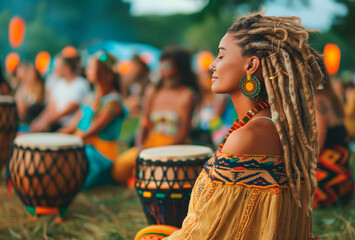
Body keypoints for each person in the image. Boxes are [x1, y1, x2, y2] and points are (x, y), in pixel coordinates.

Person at [136, 12, 323, 240]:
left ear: (251, 65)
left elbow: (210, 232)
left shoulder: (250, 136)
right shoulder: (272, 123)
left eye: (221, 56)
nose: (212, 66)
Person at [112, 46, 198, 185]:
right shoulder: (152, 91)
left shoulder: (188, 95)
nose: (163, 68)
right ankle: (139, 176)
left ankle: (139, 178)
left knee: (160, 176)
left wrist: (157, 152)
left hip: (174, 148)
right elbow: (143, 123)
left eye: (168, 64)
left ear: (180, 67)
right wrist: (140, 147)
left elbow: (182, 134)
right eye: (161, 64)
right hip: (150, 144)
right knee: (119, 169)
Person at [58, 51, 128, 189]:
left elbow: (92, 130)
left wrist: (69, 144)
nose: (86, 70)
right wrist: (54, 137)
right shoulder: (89, 97)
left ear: (102, 72)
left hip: (101, 156)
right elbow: (73, 125)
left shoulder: (113, 101)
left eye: (91, 67)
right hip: (84, 146)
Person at [313, 60, 355, 209]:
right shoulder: (332, 97)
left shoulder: (317, 102)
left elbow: (317, 145)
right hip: (344, 184)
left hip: (328, 188)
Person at [30, 53, 90, 132]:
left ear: (67, 68)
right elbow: (51, 107)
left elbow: (70, 109)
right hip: (56, 123)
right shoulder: (60, 84)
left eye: (58, 67)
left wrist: (47, 122)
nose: (55, 69)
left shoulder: (81, 83)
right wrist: (40, 120)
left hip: (69, 126)